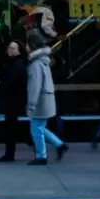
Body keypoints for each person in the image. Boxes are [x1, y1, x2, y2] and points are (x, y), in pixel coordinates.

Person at [25, 28, 67, 165]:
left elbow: (35, 86)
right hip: (45, 98)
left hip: (40, 100)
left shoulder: (36, 64)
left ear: (32, 46)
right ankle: (59, 145)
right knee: (40, 127)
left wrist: (31, 104)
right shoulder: (43, 61)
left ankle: (41, 156)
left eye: (27, 45)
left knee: (36, 129)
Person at [0, 40, 30, 162]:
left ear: (19, 51)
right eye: (9, 47)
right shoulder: (12, 63)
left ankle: (12, 152)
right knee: (11, 127)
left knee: (11, 127)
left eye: (13, 48)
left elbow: (10, 82)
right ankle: (10, 153)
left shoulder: (17, 65)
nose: (10, 50)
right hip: (12, 100)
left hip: (13, 100)